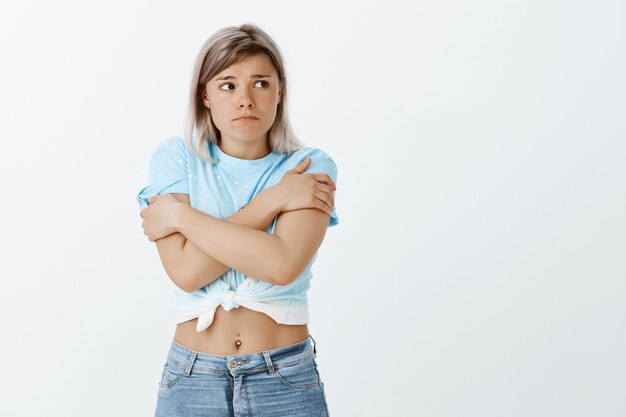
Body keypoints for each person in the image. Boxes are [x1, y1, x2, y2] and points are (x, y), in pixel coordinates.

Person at [136, 23, 339, 416]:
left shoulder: (310, 165)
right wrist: (274, 200)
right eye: (227, 85)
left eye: (260, 83)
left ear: (280, 91)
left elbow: (281, 264)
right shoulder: (175, 158)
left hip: (284, 378)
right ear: (205, 96)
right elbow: (187, 272)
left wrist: (179, 216)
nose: (245, 99)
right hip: (192, 379)